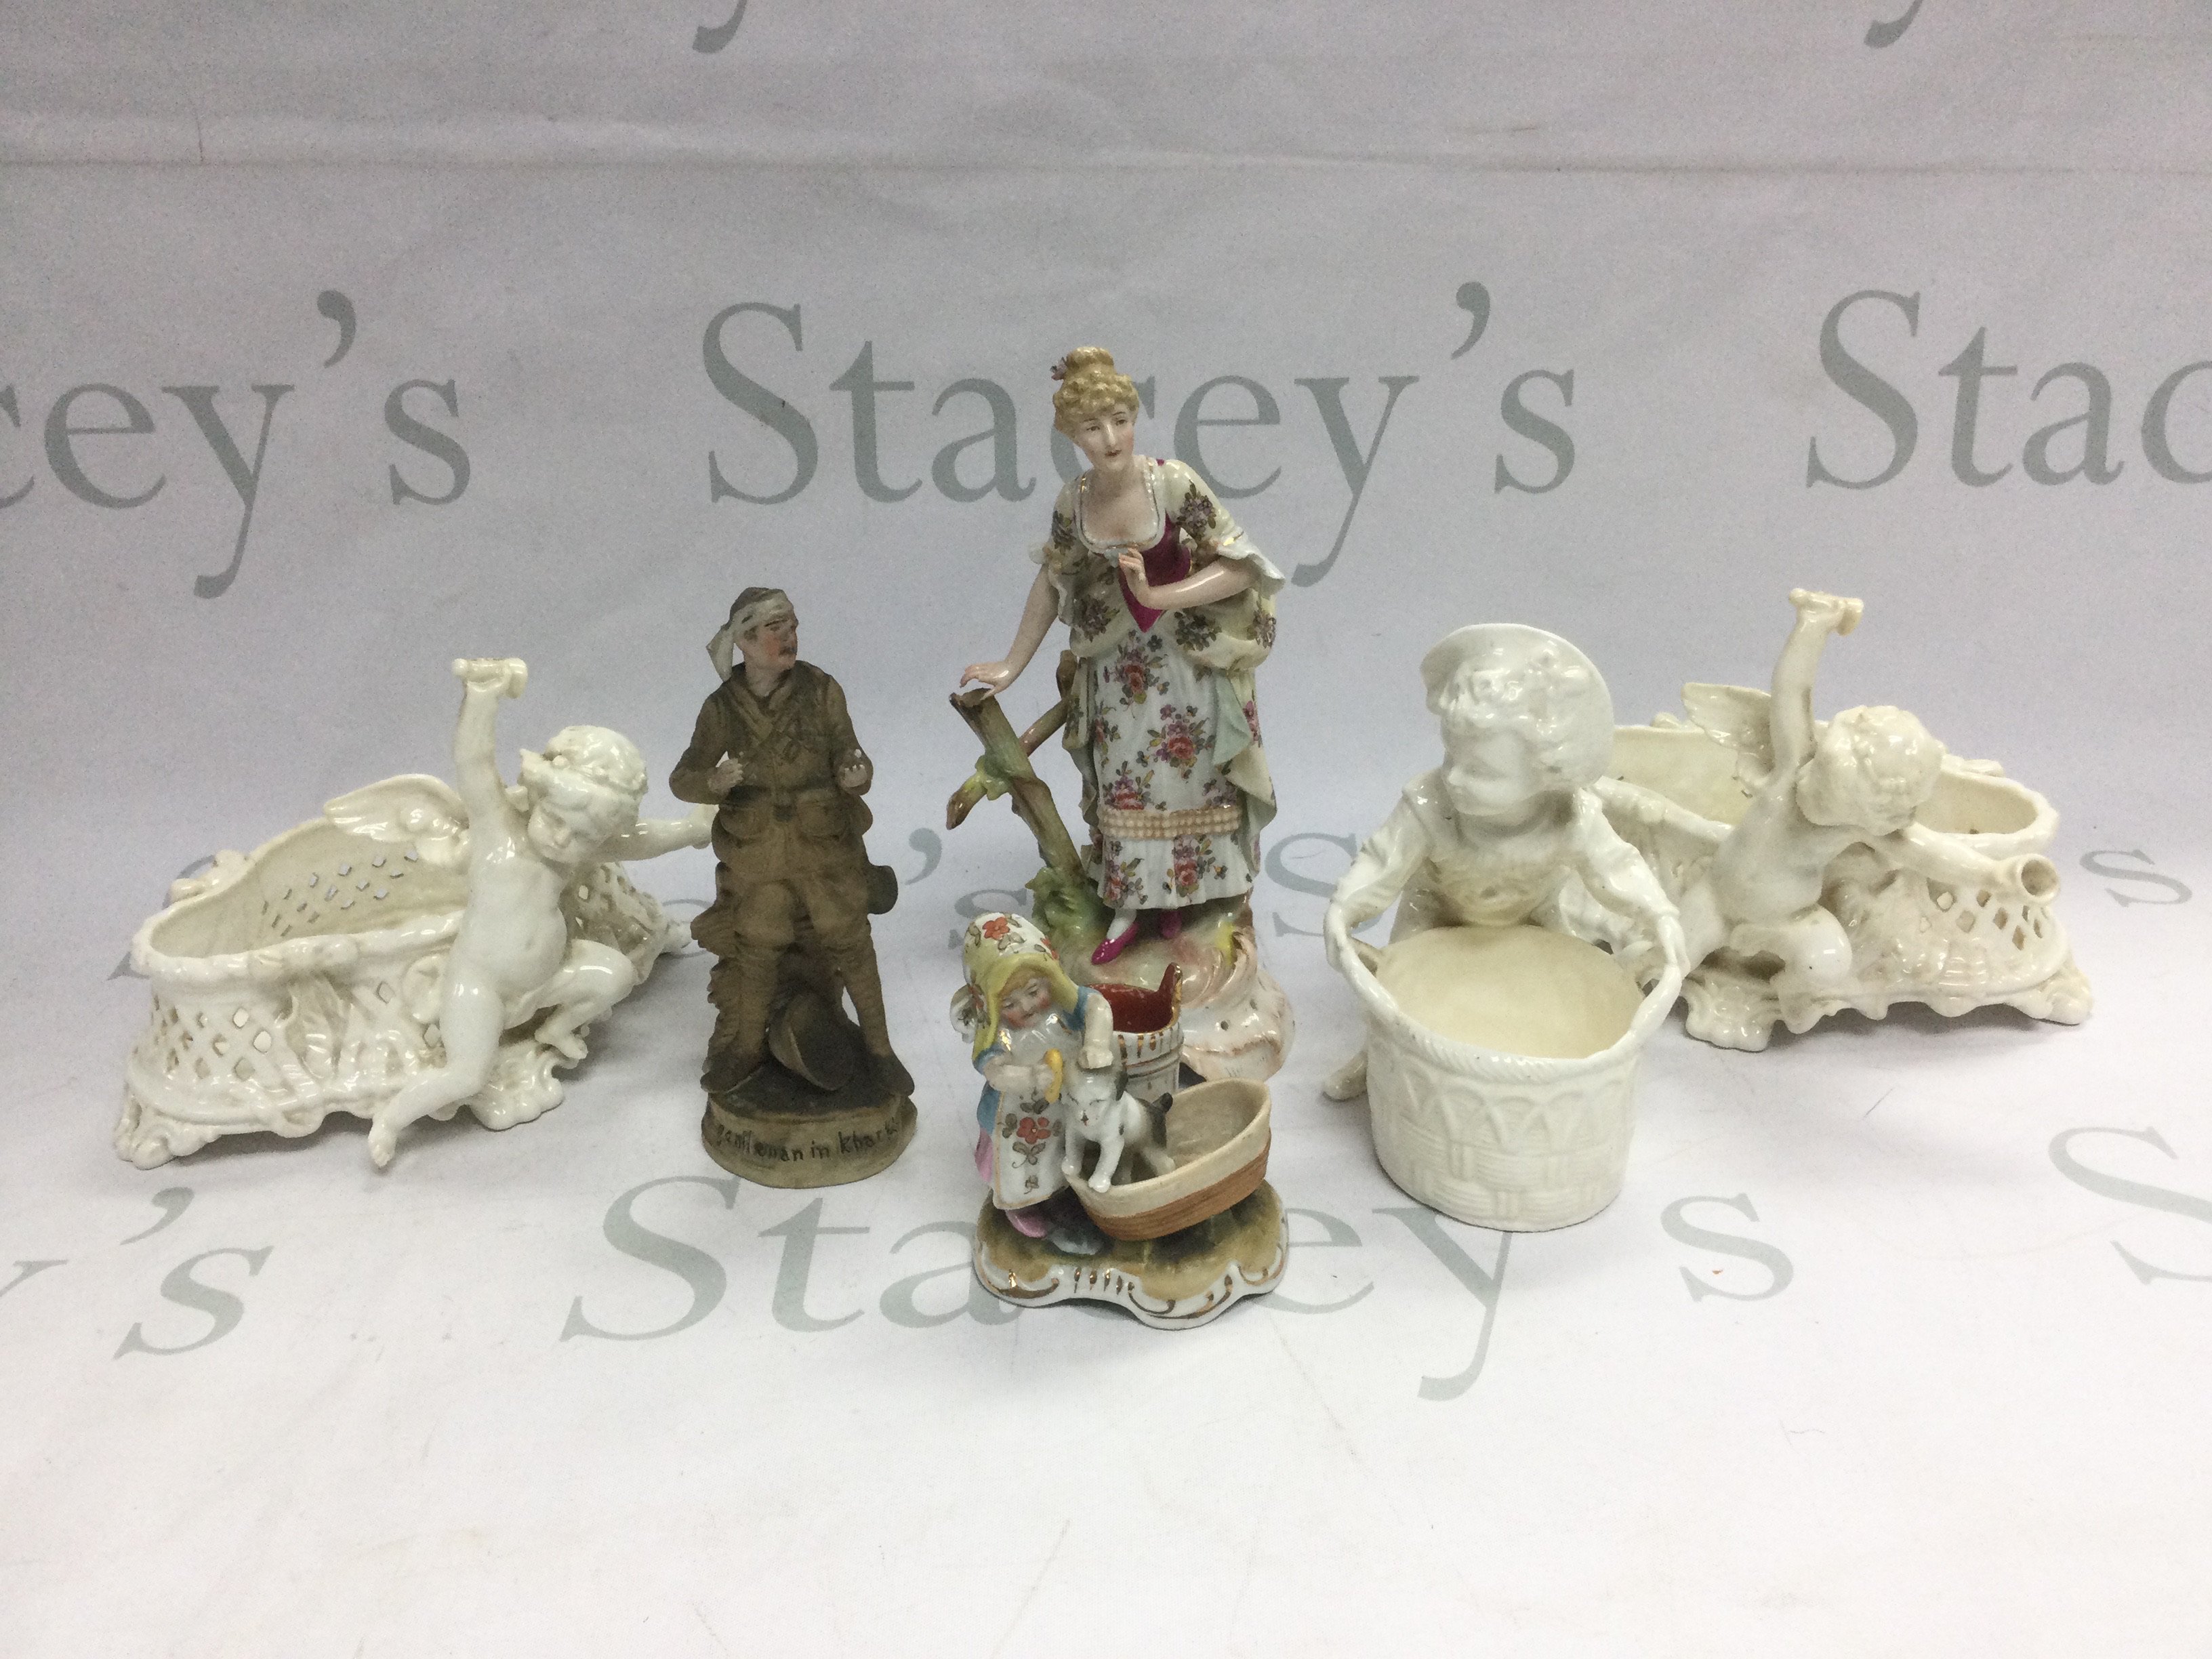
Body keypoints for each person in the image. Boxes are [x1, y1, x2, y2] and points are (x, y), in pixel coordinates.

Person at [957, 347, 1283, 964]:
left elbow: (1243, 566)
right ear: (1072, 436)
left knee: (1190, 776)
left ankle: (1190, 898)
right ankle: (1134, 904)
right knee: (1128, 781)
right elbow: (1053, 580)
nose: (1110, 439)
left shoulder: (1172, 482)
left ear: (1134, 419)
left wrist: (1160, 595)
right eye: (1092, 427)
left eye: (1120, 421)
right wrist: (1011, 664)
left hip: (1185, 662)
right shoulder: (1074, 501)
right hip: (1118, 667)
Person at [368, 657, 710, 1167]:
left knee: (616, 975)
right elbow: (474, 763)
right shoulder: (498, 832)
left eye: (583, 837)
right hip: (482, 985)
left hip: (550, 976)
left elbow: (639, 840)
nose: (563, 840)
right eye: (554, 821)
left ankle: (555, 1028)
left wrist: (692, 830)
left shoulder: (570, 851)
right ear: (538, 796)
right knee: (466, 1075)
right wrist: (483, 697)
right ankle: (391, 1120)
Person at [1324, 625, 1686, 1096]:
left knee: (1569, 995)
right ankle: (1376, 1060)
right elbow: (1382, 862)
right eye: (1450, 758)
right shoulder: (1429, 805)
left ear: (1547, 771)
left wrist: (1660, 915)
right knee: (1396, 999)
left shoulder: (1571, 816)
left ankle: (1552, 1070)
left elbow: (1616, 867)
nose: (1455, 778)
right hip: (1434, 915)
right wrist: (1345, 909)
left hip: (1534, 917)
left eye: (1482, 771)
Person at [670, 588, 911, 1096]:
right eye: (775, 628)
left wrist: (856, 773)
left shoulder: (821, 689)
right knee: (757, 948)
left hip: (824, 844)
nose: (790, 637)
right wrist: (713, 782)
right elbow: (683, 777)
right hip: (758, 852)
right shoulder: (723, 707)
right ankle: (747, 1049)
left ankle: (880, 1051)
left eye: (793, 625)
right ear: (745, 640)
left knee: (852, 943)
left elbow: (851, 752)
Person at [956, 912, 1116, 1247]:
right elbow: (995, 1072)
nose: (1027, 1007)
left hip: (1064, 1105)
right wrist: (1028, 1076)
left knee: (1062, 1155)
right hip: (1018, 1117)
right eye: (1010, 1003)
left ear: (1050, 978)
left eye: (1033, 991)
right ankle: (1021, 1206)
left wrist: (1096, 1043)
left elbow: (1098, 1006)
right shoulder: (1000, 1035)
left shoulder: (1064, 1008)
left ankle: (1062, 1197)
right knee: (1023, 1162)